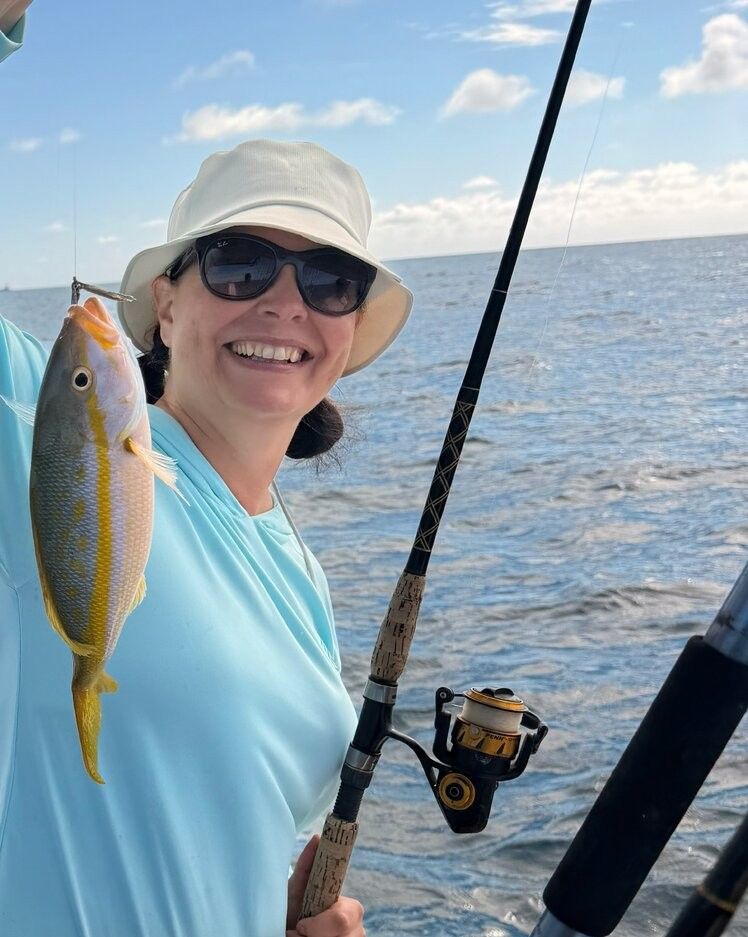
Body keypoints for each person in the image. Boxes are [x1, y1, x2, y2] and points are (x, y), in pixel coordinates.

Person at [0, 139, 413, 936]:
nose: (286, 302)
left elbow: (223, 818)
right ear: (167, 302)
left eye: (331, 280)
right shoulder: (42, 421)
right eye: (239, 264)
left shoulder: (302, 578)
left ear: (351, 327)